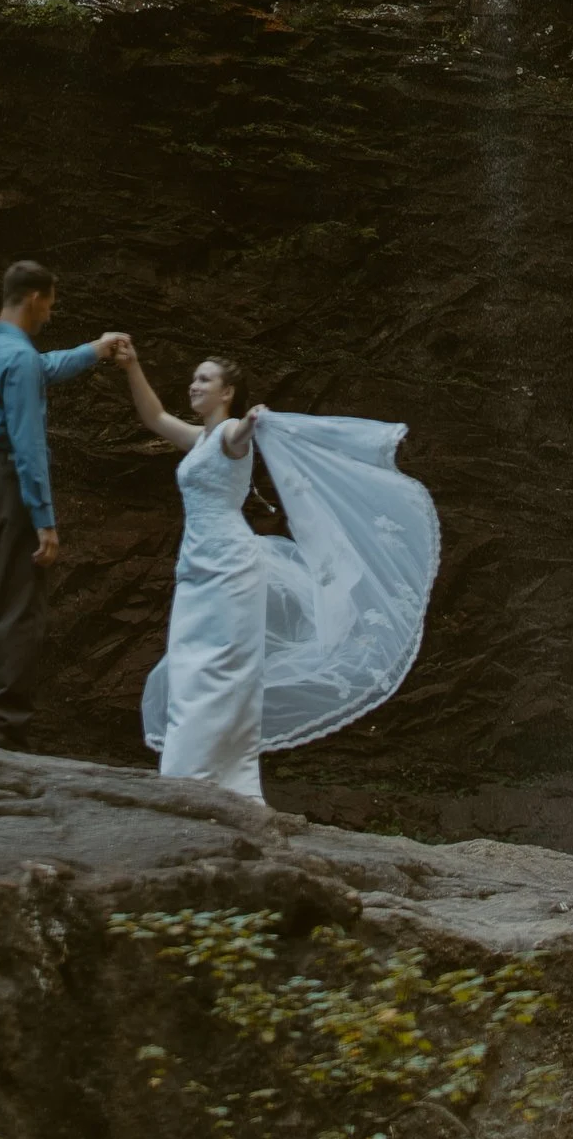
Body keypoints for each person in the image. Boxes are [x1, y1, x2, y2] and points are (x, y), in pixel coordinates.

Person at [115, 343, 440, 804]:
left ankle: (198, 779)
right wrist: (132, 366)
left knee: (220, 670)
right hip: (196, 569)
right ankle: (203, 779)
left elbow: (241, 437)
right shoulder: (200, 438)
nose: (194, 384)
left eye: (205, 379)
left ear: (227, 393)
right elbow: (153, 417)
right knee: (191, 667)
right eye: (194, 377)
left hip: (230, 565)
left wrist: (251, 421)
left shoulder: (228, 433)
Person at [0, 258, 130, 747]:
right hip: (11, 486)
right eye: (50, 303)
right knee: (20, 609)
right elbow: (28, 443)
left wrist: (94, 349)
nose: (51, 313)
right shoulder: (20, 359)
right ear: (33, 298)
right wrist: (45, 518)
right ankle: (6, 731)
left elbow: (43, 368)